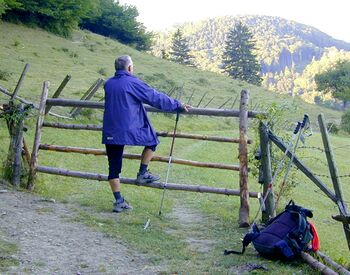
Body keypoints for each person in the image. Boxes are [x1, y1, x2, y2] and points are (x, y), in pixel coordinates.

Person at [102, 55, 190, 213]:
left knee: (113, 167)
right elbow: (154, 97)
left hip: (110, 130)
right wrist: (177, 105)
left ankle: (119, 201)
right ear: (129, 68)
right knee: (152, 141)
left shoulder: (108, 84)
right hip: (128, 128)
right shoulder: (132, 82)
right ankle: (142, 172)